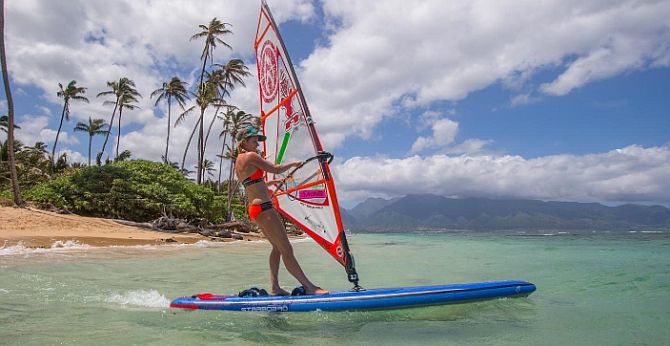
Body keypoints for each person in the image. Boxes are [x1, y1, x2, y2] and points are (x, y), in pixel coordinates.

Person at [235, 125, 328, 296]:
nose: (257, 145)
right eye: (254, 141)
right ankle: (309, 286)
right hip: (264, 208)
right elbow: (276, 169)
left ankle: (275, 287)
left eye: (258, 142)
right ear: (244, 142)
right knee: (287, 249)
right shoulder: (250, 156)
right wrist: (294, 163)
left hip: (256, 208)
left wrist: (268, 185)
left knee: (277, 248)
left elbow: (251, 183)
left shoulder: (239, 161)